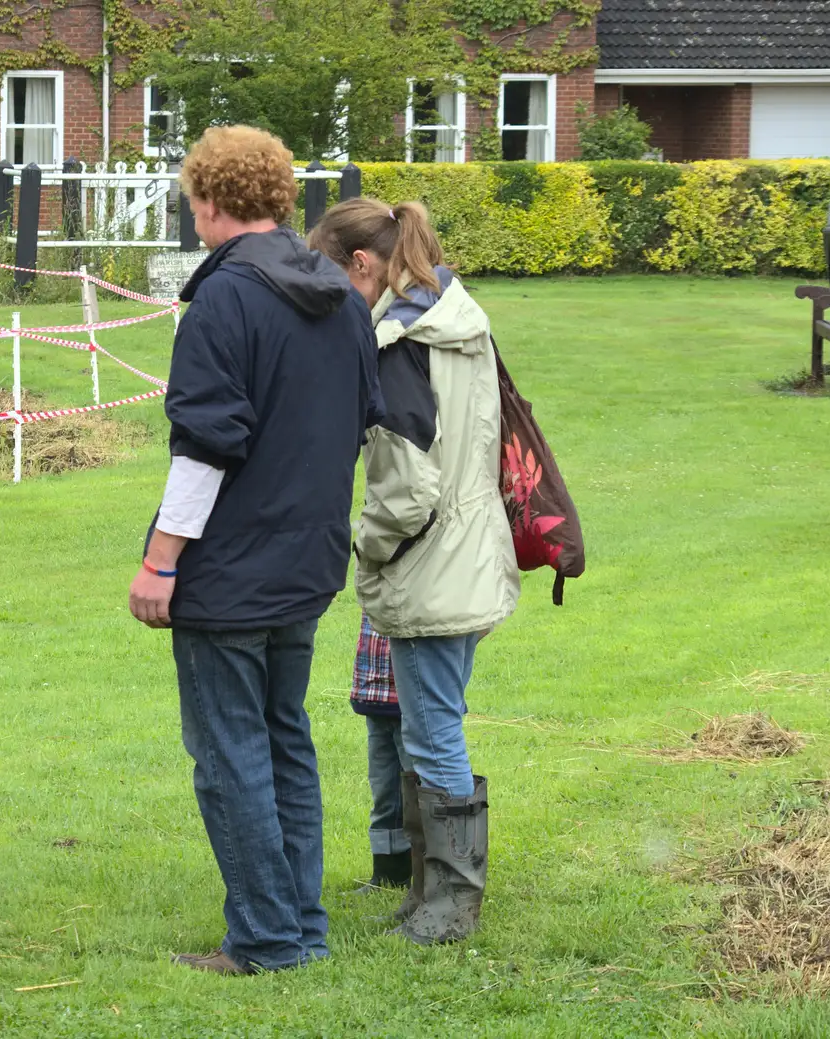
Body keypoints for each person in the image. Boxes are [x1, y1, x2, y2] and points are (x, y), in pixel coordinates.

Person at [127, 125, 383, 975]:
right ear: (275, 196)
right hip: (309, 559)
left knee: (233, 751)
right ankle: (298, 926)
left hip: (232, 570)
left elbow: (206, 445)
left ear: (206, 202)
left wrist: (161, 560)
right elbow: (356, 422)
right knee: (283, 740)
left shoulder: (224, 302)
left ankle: (270, 938)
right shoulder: (345, 297)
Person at [308, 198, 520, 946]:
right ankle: (428, 888)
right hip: (468, 550)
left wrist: (362, 543)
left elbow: (407, 486)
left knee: (432, 735)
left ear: (362, 266)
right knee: (430, 726)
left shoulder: (399, 341)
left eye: (333, 278)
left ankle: (450, 904)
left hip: (431, 562)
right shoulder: (458, 319)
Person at [349, 613, 413, 894]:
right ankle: (389, 874)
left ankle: (432, 874)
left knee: (421, 793)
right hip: (375, 697)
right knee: (385, 792)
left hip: (414, 701)